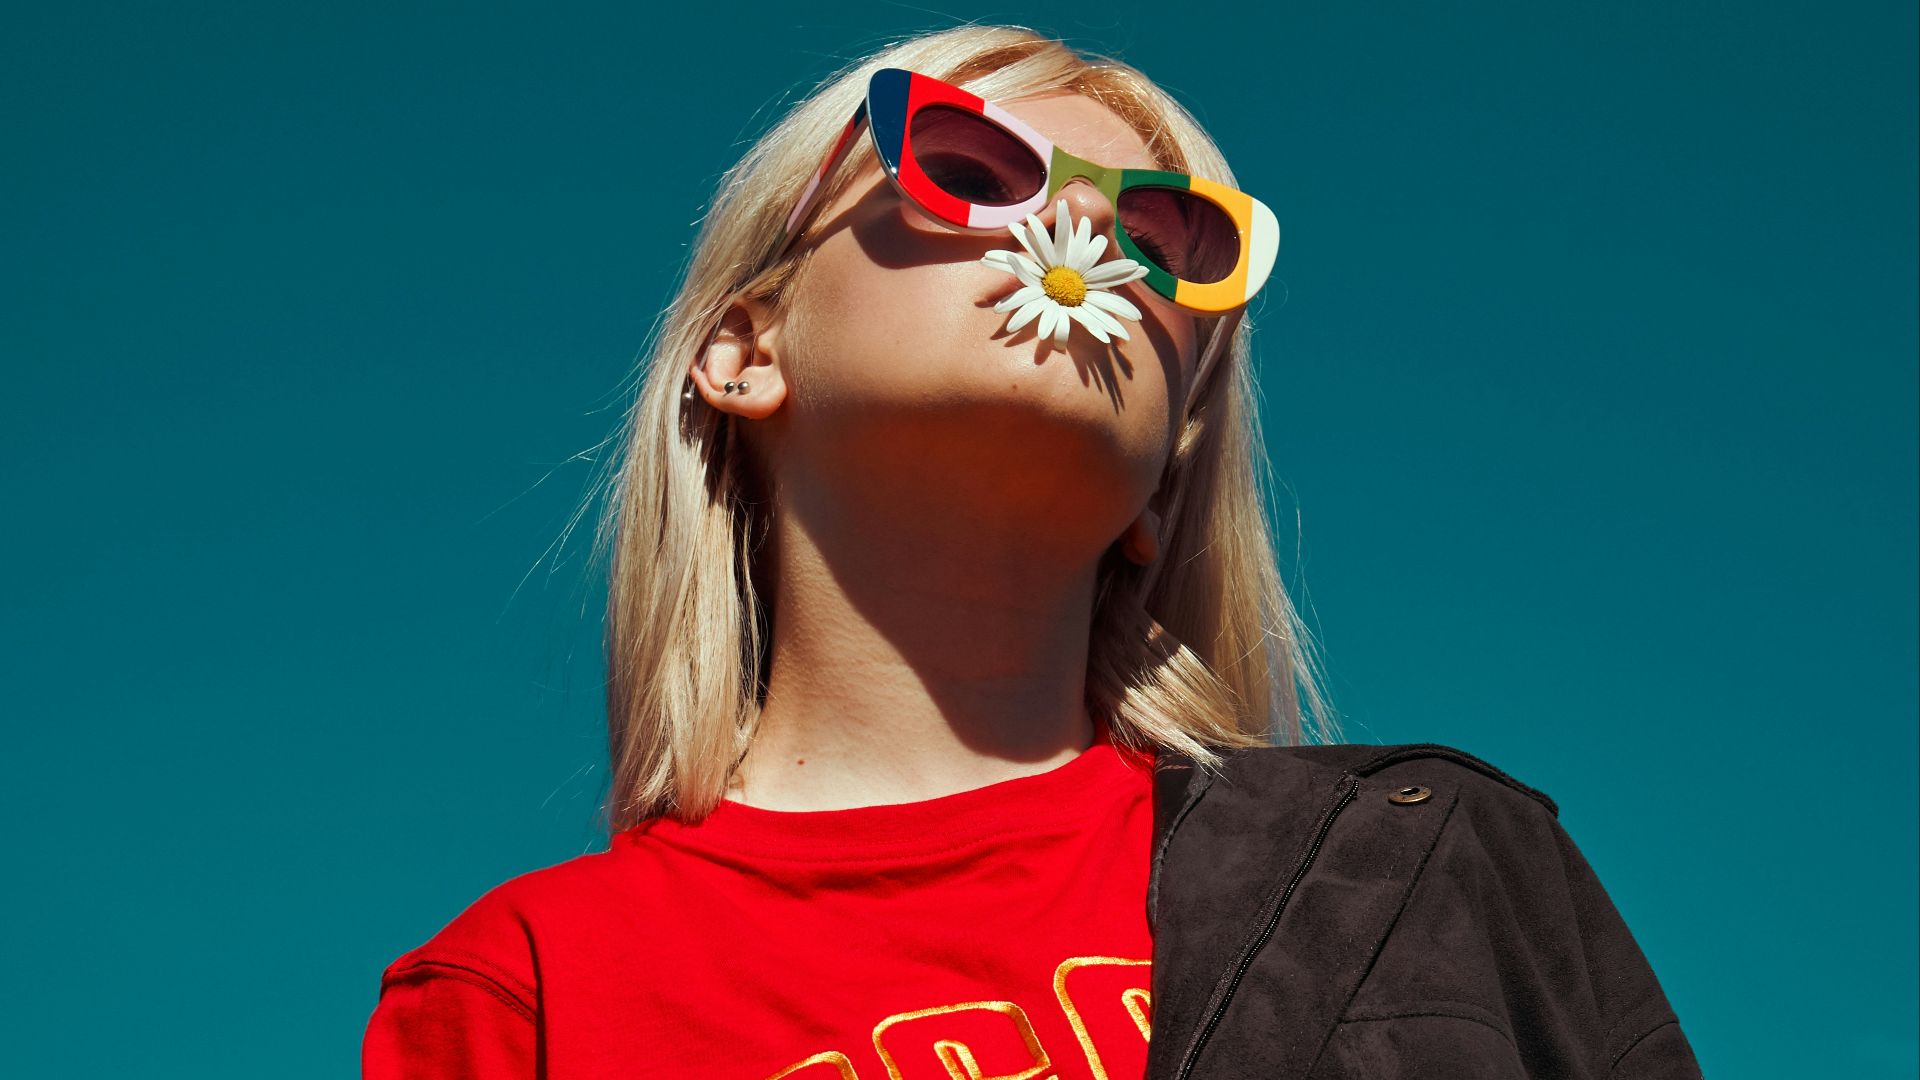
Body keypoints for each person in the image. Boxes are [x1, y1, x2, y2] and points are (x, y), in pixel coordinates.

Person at [362, 25, 1702, 1079]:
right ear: (745, 350)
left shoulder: (1420, 875)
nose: (1085, 241)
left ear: (1170, 465)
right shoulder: (523, 991)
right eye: (971, 166)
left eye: (1169, 237)